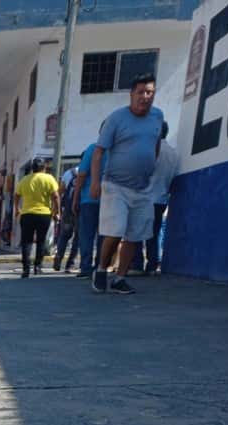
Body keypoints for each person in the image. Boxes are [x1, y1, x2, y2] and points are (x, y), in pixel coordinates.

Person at [90, 73, 164, 294]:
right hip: (115, 185)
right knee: (115, 231)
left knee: (136, 235)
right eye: (140, 92)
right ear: (131, 94)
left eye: (149, 92)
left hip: (143, 187)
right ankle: (102, 269)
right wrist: (95, 182)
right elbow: (98, 152)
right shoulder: (116, 119)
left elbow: (156, 144)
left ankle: (120, 278)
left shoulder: (158, 117)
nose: (145, 97)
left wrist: (150, 165)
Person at [131, 120, 179, 274]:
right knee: (154, 233)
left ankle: (136, 264)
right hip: (161, 199)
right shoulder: (174, 154)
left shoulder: (149, 150)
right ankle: (152, 265)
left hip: (145, 197)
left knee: (137, 232)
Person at [14, 156, 60, 278]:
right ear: (44, 167)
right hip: (44, 214)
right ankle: (37, 266)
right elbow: (55, 196)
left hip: (27, 214)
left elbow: (17, 195)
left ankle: (25, 269)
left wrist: (17, 209)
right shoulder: (49, 179)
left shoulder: (24, 180)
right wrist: (56, 211)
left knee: (26, 241)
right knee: (41, 241)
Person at [73, 124, 108, 279]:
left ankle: (86, 267)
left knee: (87, 235)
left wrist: (75, 197)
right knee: (104, 235)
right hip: (109, 200)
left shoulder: (93, 148)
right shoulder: (116, 151)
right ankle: (99, 266)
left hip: (89, 199)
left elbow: (81, 175)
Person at [54, 164, 79, 273]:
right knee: (77, 238)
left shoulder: (69, 172)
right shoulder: (90, 171)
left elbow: (60, 192)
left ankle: (58, 257)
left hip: (68, 210)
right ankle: (70, 264)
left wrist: (58, 209)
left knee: (64, 235)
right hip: (81, 209)